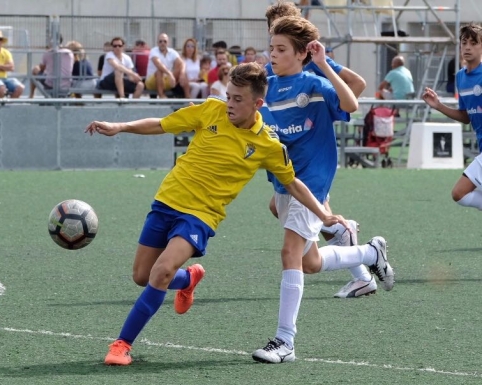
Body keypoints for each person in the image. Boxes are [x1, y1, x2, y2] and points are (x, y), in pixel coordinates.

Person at [85, 62, 350, 366]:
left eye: (238, 99)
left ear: (257, 104)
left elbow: (293, 184)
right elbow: (161, 123)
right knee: (142, 276)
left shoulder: (268, 145)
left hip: (200, 215)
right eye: (228, 96)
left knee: (160, 272)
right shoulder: (211, 110)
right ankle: (187, 280)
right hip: (167, 201)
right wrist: (120, 128)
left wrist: (324, 214)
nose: (230, 104)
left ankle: (122, 345)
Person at [252, 15, 394, 364]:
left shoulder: (314, 84)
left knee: (288, 253)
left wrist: (324, 65)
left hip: (313, 179)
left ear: (301, 54)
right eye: (271, 47)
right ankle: (369, 254)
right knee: (310, 262)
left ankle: (285, 341)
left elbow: (351, 104)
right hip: (286, 182)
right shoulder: (265, 87)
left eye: (281, 49)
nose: (273, 54)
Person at [263, 1, 371, 298]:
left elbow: (356, 88)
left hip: (313, 160)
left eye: (281, 42)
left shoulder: (310, 67)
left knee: (293, 249)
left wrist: (322, 114)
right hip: (288, 168)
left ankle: (285, 338)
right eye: (272, 39)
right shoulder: (268, 75)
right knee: (310, 256)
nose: (274, 49)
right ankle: (365, 259)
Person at [422, 23, 482, 213]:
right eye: (464, 43)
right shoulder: (460, 77)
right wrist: (438, 106)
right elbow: (465, 117)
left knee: (459, 193)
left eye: (474, 43)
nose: (467, 47)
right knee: (460, 194)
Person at [29, 34, 74, 98]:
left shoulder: (48, 53)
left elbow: (41, 68)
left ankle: (31, 95)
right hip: (67, 84)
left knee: (35, 70)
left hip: (51, 84)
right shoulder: (69, 53)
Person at [145, 33, 188, 98]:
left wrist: (182, 73)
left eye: (165, 41)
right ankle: (161, 95)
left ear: (168, 43)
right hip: (151, 82)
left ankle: (189, 99)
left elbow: (182, 63)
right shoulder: (153, 51)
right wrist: (170, 74)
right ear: (157, 43)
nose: (162, 43)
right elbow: (159, 64)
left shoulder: (172, 52)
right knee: (159, 71)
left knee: (183, 73)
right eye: (160, 41)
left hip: (166, 80)